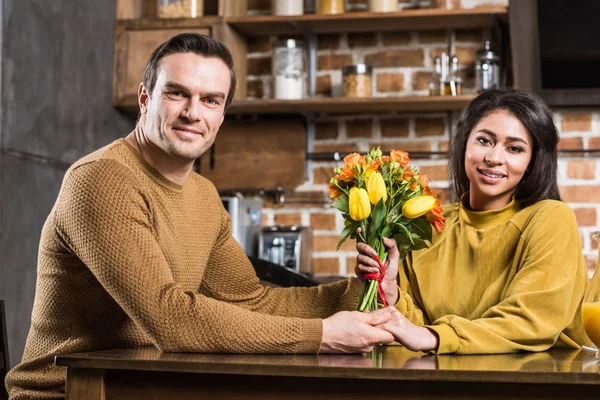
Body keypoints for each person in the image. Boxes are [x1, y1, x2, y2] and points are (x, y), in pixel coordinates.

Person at [5, 33, 398, 399]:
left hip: (145, 388)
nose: (194, 112)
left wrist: (360, 292)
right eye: (177, 94)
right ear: (145, 98)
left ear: (222, 115)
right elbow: (170, 318)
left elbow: (252, 301)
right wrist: (323, 335)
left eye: (211, 100)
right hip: (65, 393)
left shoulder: (203, 194)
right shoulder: (101, 181)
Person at [356, 88, 591, 354]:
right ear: (464, 143)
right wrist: (391, 292)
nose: (494, 158)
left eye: (514, 148)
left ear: (532, 162)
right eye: (484, 140)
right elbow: (412, 332)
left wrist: (436, 337)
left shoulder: (550, 219)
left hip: (540, 380)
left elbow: (531, 321)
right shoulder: (427, 224)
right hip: (444, 378)